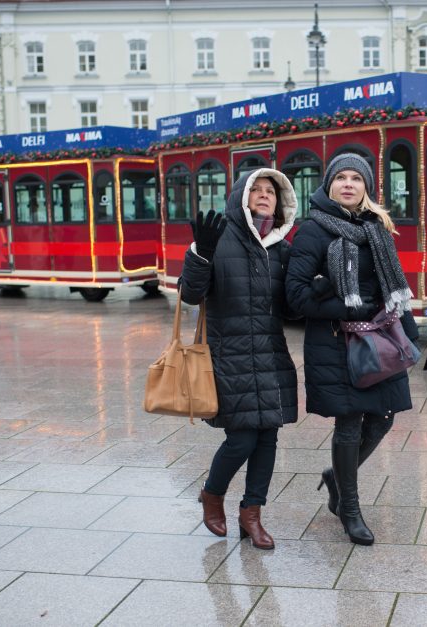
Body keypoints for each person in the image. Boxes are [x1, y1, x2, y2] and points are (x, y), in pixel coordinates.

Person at [286, 153, 419, 545]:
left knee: (384, 418)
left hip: (379, 339)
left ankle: (336, 477)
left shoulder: (376, 227)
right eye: (340, 178)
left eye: (356, 179)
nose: (348, 184)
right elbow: (295, 297)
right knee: (350, 422)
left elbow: (394, 289)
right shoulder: (312, 231)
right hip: (336, 343)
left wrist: (408, 336)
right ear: (329, 186)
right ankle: (349, 508)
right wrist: (345, 305)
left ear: (367, 187)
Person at [179, 168, 298, 550]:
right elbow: (190, 294)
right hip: (229, 356)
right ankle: (212, 494)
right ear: (241, 196)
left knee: (268, 437)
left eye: (271, 191)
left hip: (270, 354)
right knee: (242, 437)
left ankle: (252, 514)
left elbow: (290, 310)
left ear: (280, 202)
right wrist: (200, 254)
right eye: (256, 190)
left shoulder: (280, 245)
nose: (264, 195)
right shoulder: (219, 238)